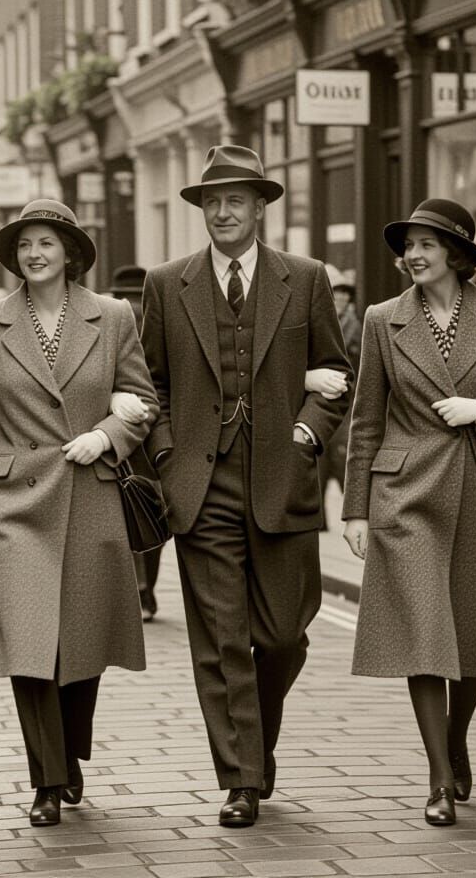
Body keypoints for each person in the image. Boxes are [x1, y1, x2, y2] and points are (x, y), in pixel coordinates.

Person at [141, 145, 352, 828]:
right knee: (222, 640)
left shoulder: (307, 277)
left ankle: (252, 743)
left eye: (235, 199)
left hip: (283, 480)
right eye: (212, 201)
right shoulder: (167, 282)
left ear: (260, 207)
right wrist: (168, 455)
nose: (223, 211)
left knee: (284, 636)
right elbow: (151, 385)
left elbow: (335, 374)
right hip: (200, 488)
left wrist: (307, 435)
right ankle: (241, 778)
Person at [342, 198, 476, 827]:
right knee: (424, 636)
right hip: (406, 498)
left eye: (426, 244)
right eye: (407, 246)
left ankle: (457, 738)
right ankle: (437, 775)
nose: (413, 256)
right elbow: (366, 419)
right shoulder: (382, 320)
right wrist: (355, 509)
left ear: (456, 254)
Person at [0, 199, 157, 828]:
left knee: (81, 642)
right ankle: (45, 778)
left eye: (47, 243)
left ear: (69, 252)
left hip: (91, 493)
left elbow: (142, 399)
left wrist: (108, 436)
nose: (35, 254)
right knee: (29, 643)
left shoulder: (114, 316)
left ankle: (69, 750)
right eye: (25, 245)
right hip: (16, 500)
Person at [108, 264, 163, 623]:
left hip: (154, 441)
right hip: (115, 437)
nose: (131, 305)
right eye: (124, 298)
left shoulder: (161, 331)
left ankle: (147, 588)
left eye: (136, 298)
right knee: (123, 517)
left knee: (150, 515)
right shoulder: (109, 330)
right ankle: (136, 590)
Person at [318, 266, 363, 508]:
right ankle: (320, 517)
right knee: (320, 457)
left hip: (346, 400)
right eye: (338, 294)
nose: (343, 299)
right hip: (318, 396)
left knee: (342, 455)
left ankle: (356, 510)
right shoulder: (319, 321)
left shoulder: (355, 327)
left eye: (346, 295)